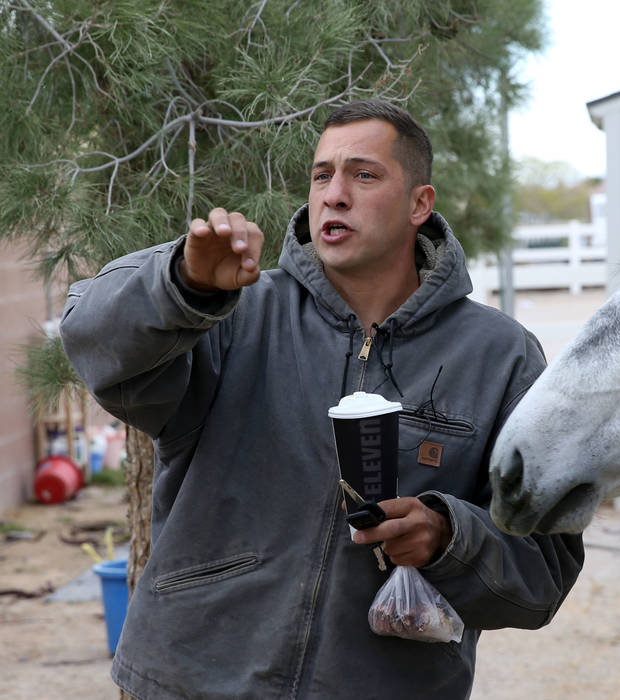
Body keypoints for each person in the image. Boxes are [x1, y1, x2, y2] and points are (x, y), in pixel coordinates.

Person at [60, 99, 584, 699]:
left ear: (420, 204)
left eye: (364, 174)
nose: (334, 194)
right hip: (193, 680)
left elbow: (545, 570)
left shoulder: (500, 356)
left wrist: (448, 538)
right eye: (321, 175)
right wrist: (181, 283)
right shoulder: (231, 314)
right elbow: (90, 339)